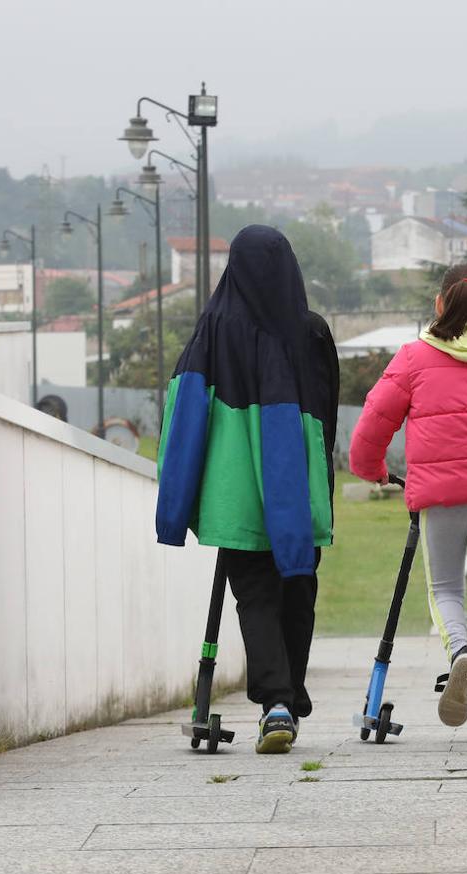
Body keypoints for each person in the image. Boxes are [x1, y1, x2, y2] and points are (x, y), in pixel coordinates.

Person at [156, 225, 339, 754]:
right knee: (298, 587)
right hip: (297, 490)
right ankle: (289, 691)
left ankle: (276, 703)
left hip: (233, 493)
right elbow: (326, 412)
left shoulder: (212, 327)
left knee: (254, 596)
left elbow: (185, 409)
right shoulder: (311, 331)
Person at [349, 262, 467, 740]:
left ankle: (459, 652)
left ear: (439, 303)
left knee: (444, 590)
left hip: (440, 495)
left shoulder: (411, 357)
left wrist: (372, 471)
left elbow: (373, 422)